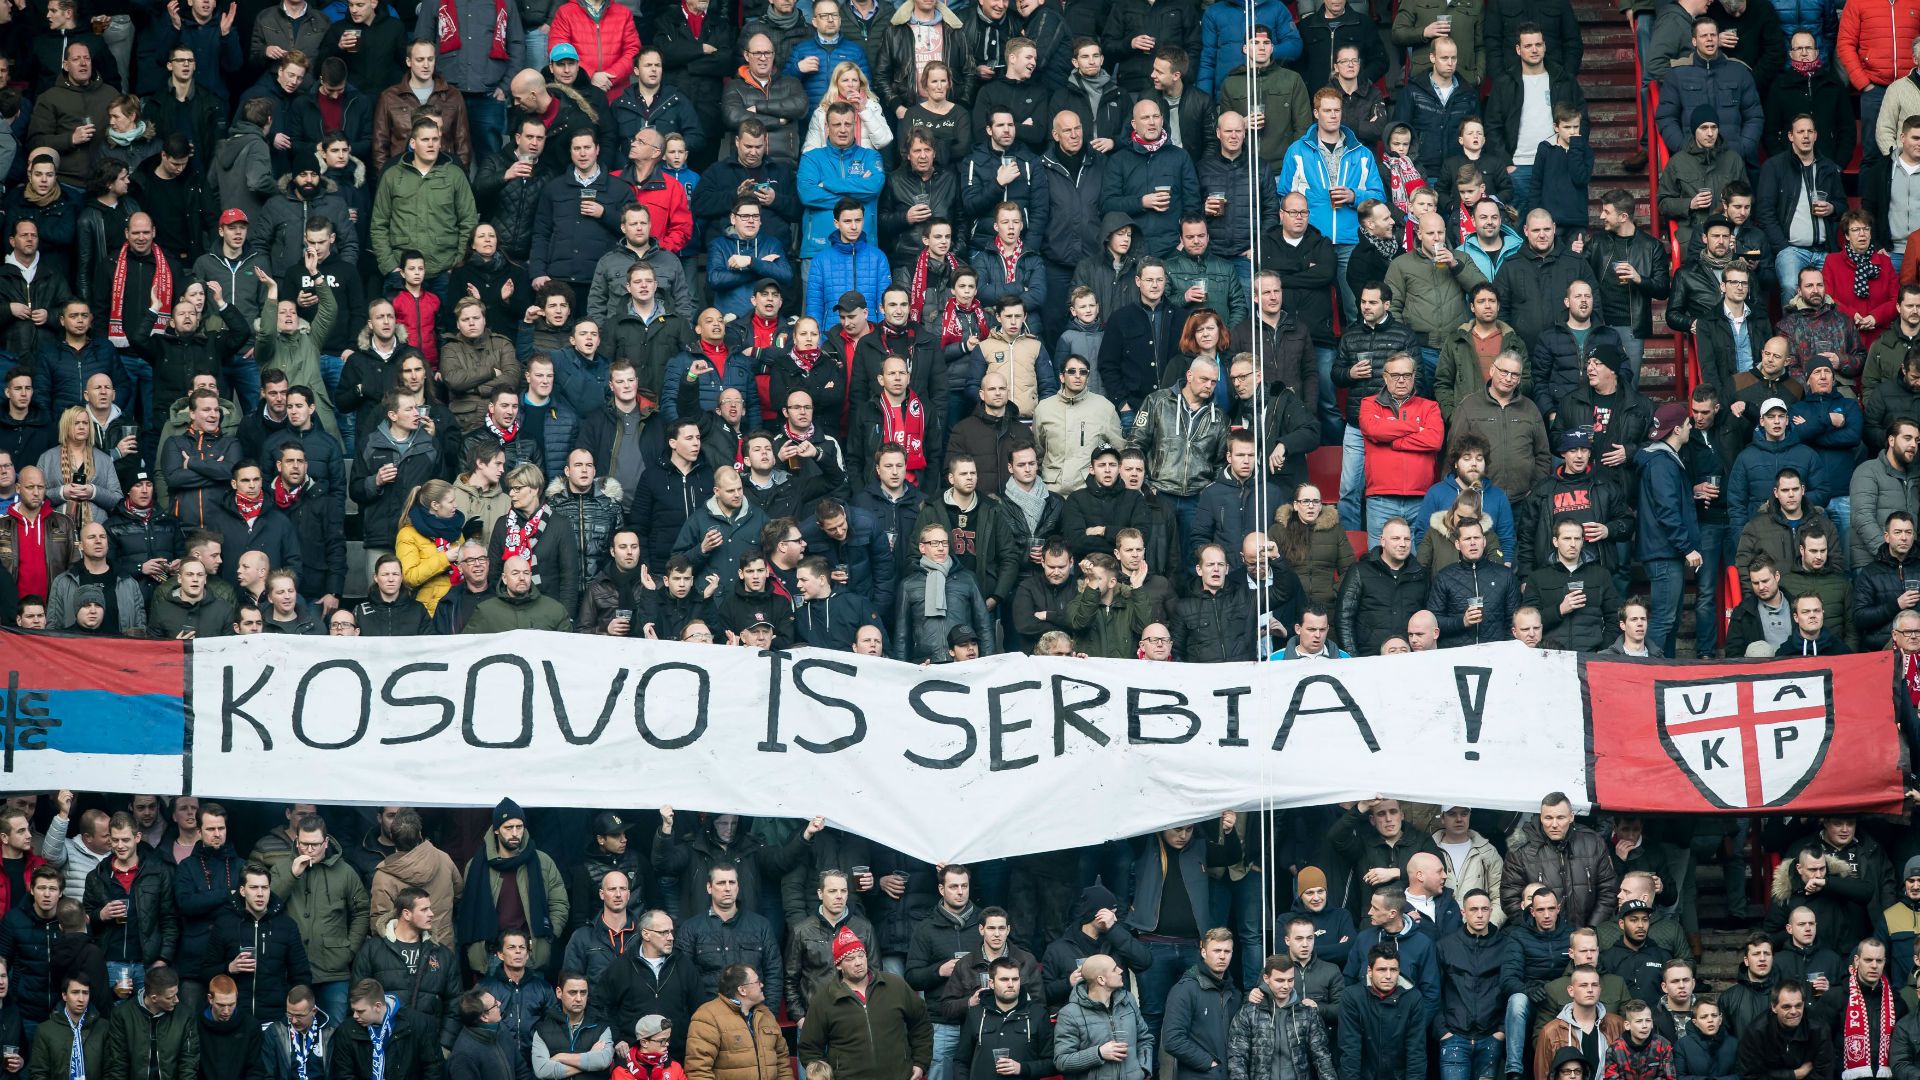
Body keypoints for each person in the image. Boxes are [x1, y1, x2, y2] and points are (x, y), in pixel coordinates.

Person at [797, 926, 932, 1080]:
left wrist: (920, 1062)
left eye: (861, 955)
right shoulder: (825, 999)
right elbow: (809, 1048)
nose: (858, 962)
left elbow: (921, 1024)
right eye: (850, 959)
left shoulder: (895, 985)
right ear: (839, 965)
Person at [1052, 952, 1152, 1080]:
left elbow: (1145, 1038)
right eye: (1114, 969)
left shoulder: (1128, 1000)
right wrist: (1099, 1053)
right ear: (1101, 980)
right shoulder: (1070, 1014)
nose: (1121, 971)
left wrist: (1143, 1069)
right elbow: (1062, 1061)